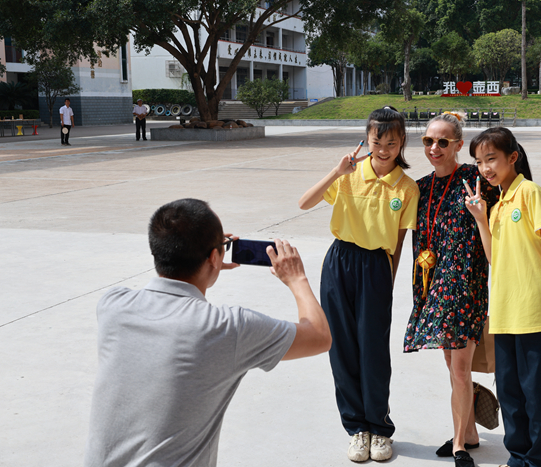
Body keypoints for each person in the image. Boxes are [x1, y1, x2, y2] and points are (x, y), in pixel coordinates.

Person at [84, 198, 332, 467]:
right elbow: (320, 336)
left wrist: (206, 261)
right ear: (215, 257)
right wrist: (297, 279)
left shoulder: (112, 305)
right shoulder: (228, 328)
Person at [298, 106, 419, 462]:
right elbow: (304, 203)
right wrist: (337, 171)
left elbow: (399, 243)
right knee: (341, 348)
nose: (383, 150)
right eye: (376, 142)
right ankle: (356, 429)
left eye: (391, 143)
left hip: (377, 266)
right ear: (366, 140)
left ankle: (380, 429)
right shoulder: (349, 175)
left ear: (401, 143)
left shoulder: (407, 187)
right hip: (340, 262)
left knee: (374, 350)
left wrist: (387, 282)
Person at [463, 127, 541, 467]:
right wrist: (481, 219)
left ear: (512, 157)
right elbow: (494, 258)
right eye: (479, 162)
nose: (485, 168)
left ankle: (540, 462)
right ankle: (518, 459)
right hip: (505, 314)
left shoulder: (530, 192)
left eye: (491, 159)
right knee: (511, 395)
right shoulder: (497, 206)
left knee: (539, 397)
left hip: (537, 312)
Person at [403, 112, 498, 467]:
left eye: (443, 142)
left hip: (464, 286)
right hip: (431, 286)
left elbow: (509, 196)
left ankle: (460, 445)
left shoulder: (475, 180)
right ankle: (470, 432)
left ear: (459, 145)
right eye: (428, 141)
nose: (434, 148)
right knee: (452, 364)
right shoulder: (420, 187)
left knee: (459, 368)